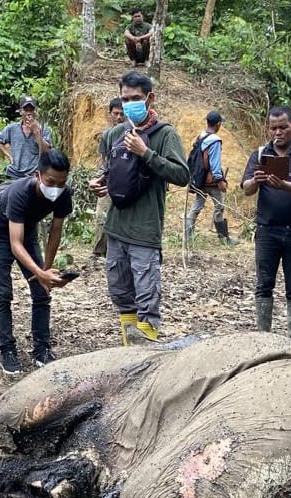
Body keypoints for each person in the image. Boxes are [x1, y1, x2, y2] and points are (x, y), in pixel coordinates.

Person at [90, 70, 189, 345]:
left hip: (144, 232)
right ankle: (129, 350)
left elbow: (182, 175)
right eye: (125, 99)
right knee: (122, 296)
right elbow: (110, 170)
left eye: (135, 98)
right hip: (116, 229)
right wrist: (101, 182)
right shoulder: (115, 134)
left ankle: (147, 357)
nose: (129, 104)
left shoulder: (165, 135)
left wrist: (145, 153)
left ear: (149, 98)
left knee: (147, 300)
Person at [0, 150, 75, 375]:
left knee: (42, 292)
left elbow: (55, 232)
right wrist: (40, 273)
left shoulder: (64, 194)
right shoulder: (19, 192)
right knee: (2, 293)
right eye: (51, 182)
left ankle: (42, 349)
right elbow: (15, 244)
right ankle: (7, 349)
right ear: (38, 175)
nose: (56, 188)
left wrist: (46, 270)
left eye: (61, 183)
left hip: (28, 231)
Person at [242, 106, 291, 340]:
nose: (278, 132)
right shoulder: (260, 154)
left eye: (283, 127)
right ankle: (263, 338)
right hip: (267, 230)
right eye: (273, 128)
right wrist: (256, 180)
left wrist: (284, 185)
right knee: (264, 283)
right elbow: (246, 189)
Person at [184, 110, 238, 247]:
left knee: (196, 207)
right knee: (219, 207)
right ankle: (224, 239)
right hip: (211, 182)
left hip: (199, 179)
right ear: (218, 124)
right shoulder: (215, 141)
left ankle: (188, 238)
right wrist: (220, 181)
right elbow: (215, 164)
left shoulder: (200, 137)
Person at [92, 96, 124, 257]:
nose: (118, 117)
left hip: (125, 182)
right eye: (115, 113)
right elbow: (104, 159)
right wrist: (101, 177)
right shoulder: (107, 135)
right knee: (102, 216)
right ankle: (99, 252)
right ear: (110, 114)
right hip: (108, 179)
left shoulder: (131, 133)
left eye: (122, 114)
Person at [0, 96, 53, 182]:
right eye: (26, 110)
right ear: (21, 111)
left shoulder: (43, 129)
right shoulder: (12, 128)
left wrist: (36, 132)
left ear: (35, 111)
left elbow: (47, 150)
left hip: (34, 174)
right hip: (15, 174)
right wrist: (9, 155)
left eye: (31, 110)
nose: (29, 113)